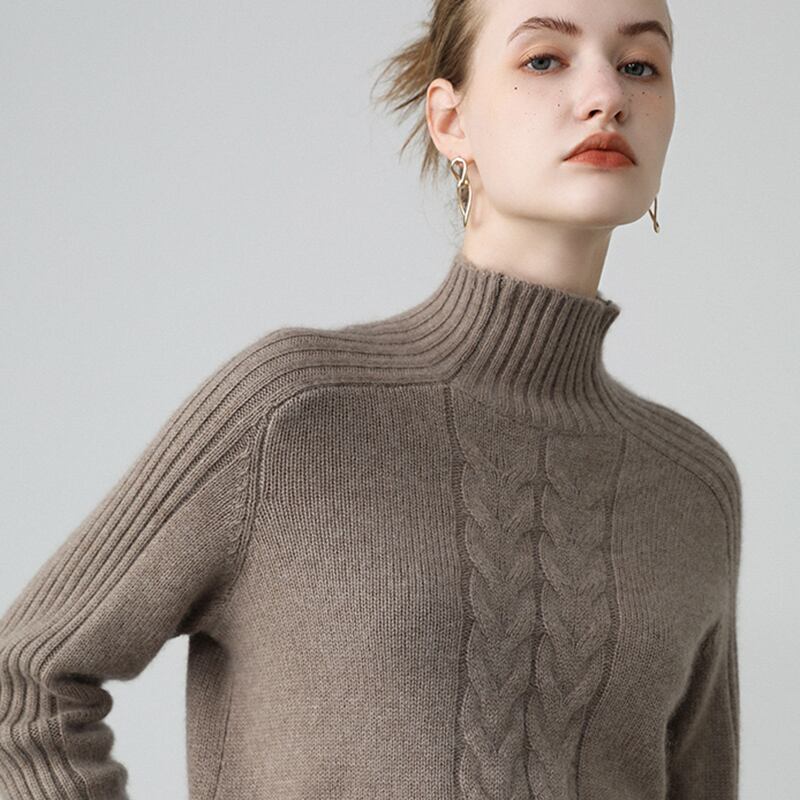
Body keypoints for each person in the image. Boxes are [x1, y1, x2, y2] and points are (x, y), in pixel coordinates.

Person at [0, 1, 741, 798]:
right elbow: (22, 689)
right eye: (544, 60)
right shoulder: (294, 414)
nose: (606, 95)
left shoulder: (692, 489)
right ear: (451, 120)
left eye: (639, 65)